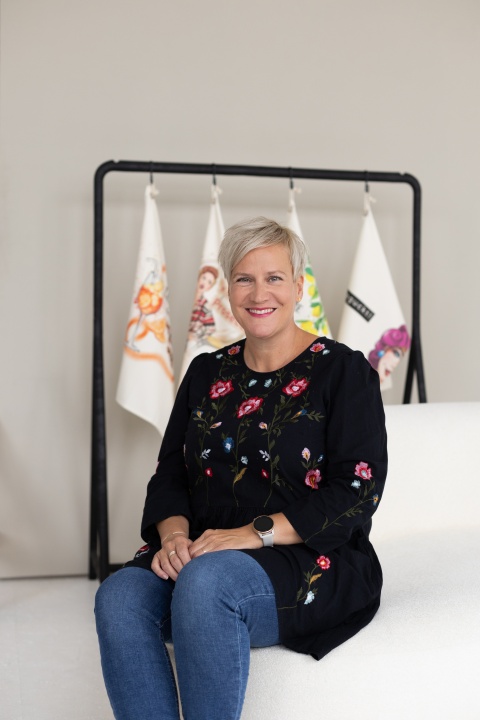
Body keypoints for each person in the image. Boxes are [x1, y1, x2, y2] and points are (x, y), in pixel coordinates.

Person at [95, 217, 388, 720]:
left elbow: (357, 490)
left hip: (311, 554)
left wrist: (251, 534)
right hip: (205, 548)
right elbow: (170, 472)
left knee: (206, 583)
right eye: (244, 279)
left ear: (298, 286)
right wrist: (173, 537)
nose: (259, 293)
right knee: (119, 596)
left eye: (274, 278)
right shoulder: (205, 371)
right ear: (227, 289)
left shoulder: (344, 372)